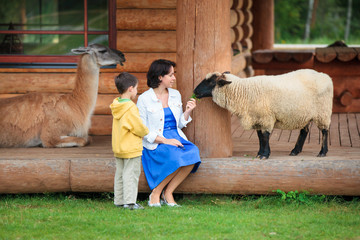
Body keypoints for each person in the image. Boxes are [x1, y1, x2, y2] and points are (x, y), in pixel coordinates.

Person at [137, 59, 201, 207]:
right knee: (176, 156)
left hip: (176, 136)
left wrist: (188, 111)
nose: (174, 78)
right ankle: (156, 192)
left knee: (193, 153)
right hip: (156, 141)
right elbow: (142, 129)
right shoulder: (144, 99)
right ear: (160, 77)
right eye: (171, 75)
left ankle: (168, 193)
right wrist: (165, 141)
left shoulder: (175, 94)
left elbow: (179, 123)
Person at [110, 72, 149, 210]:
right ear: (130, 88)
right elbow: (137, 126)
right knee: (131, 175)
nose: (137, 92)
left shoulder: (117, 105)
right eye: (137, 88)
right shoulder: (130, 107)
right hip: (131, 147)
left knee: (120, 174)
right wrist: (146, 131)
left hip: (119, 146)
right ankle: (130, 202)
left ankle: (119, 201)